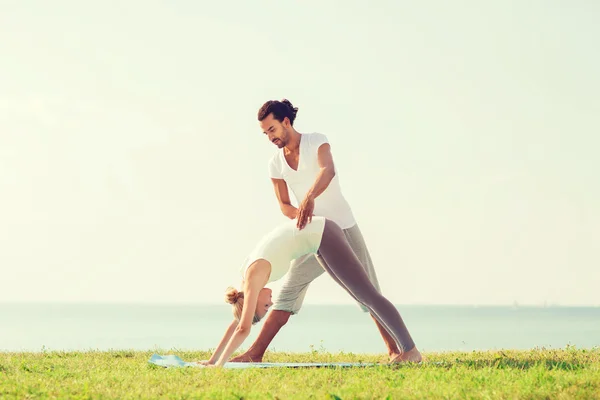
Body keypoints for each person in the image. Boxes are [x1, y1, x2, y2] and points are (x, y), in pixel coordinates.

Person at [230, 99, 403, 363]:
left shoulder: (316, 141)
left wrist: (309, 198)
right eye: (265, 133)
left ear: (286, 122)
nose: (270, 137)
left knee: (368, 291)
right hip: (313, 235)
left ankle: (395, 350)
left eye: (272, 129)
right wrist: (301, 217)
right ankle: (255, 353)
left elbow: (327, 170)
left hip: (343, 227)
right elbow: (285, 205)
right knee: (288, 292)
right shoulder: (275, 164)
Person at [202, 217, 421, 367]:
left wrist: (219, 366)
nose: (270, 303)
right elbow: (239, 320)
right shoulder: (246, 282)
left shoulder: (252, 280)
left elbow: (242, 327)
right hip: (319, 239)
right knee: (362, 295)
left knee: (368, 295)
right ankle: (406, 350)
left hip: (324, 234)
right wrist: (212, 360)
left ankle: (410, 351)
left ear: (253, 301)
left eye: (265, 306)